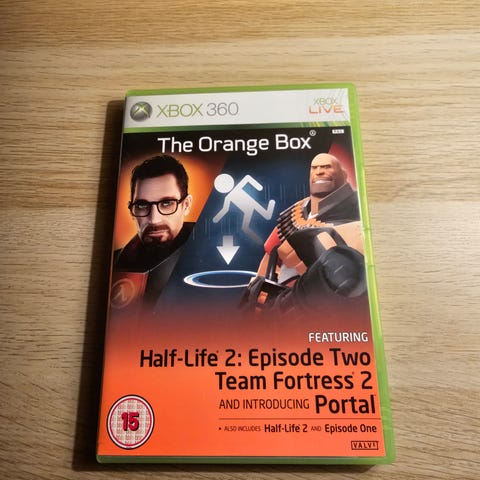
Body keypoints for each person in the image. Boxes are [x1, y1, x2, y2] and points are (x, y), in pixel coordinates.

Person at [240, 153, 366, 316]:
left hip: (320, 310)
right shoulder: (298, 210)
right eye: (315, 168)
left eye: (327, 167)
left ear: (344, 174)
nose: (319, 171)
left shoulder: (359, 213)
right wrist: (256, 290)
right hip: (278, 305)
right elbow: (271, 254)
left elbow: (353, 277)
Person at [112, 155, 193, 310]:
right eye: (142, 205)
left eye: (167, 203)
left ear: (186, 205)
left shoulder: (212, 264)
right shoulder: (111, 266)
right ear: (132, 210)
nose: (154, 220)